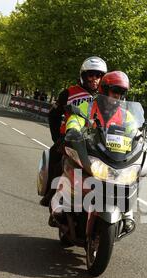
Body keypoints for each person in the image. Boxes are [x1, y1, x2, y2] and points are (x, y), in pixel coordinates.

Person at [64, 71, 136, 232]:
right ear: (104, 90)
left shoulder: (126, 115)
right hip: (90, 151)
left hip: (113, 156)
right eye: (115, 91)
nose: (117, 96)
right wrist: (73, 129)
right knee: (71, 165)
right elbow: (76, 119)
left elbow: (135, 132)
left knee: (132, 177)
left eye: (121, 93)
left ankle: (128, 214)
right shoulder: (87, 106)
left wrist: (141, 142)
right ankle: (65, 203)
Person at [40, 56, 107, 206]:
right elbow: (53, 114)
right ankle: (50, 193)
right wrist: (58, 137)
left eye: (99, 75)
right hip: (72, 138)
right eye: (91, 74)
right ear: (83, 75)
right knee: (55, 155)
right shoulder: (69, 92)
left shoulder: (105, 97)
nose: (94, 79)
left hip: (97, 140)